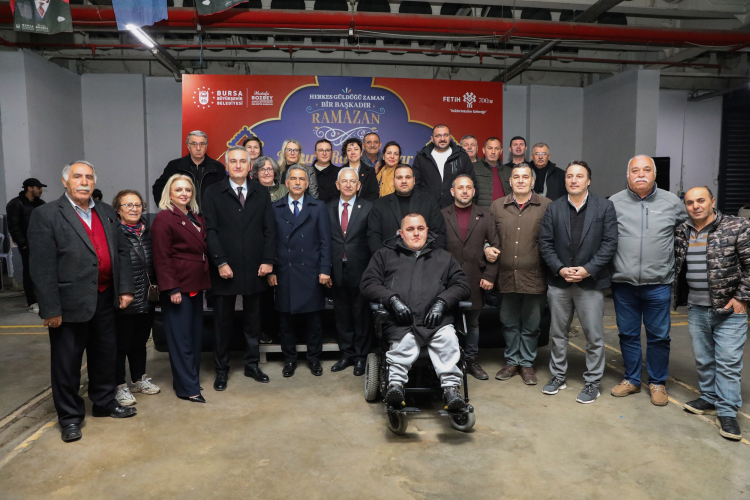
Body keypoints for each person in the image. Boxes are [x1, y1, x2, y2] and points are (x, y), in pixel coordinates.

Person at [28, 161, 137, 443]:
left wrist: (125, 289)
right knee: (67, 364)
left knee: (105, 355)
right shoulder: (46, 215)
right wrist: (50, 309)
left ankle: (104, 402)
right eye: (77, 176)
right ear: (65, 182)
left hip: (105, 297)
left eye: (89, 177)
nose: (84, 182)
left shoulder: (106, 212)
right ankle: (70, 417)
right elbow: (41, 267)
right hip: (68, 304)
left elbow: (121, 252)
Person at [361, 213, 471, 410]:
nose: (416, 233)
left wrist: (442, 302)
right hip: (402, 322)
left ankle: (451, 390)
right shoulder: (384, 255)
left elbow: (462, 285)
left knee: (448, 341)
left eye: (420, 228)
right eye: (410, 229)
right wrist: (392, 300)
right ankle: (395, 386)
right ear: (401, 233)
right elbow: (368, 284)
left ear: (427, 231)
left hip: (436, 321)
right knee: (404, 345)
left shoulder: (444, 257)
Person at [608, 155, 688, 406]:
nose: (640, 174)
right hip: (623, 284)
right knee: (628, 334)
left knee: (659, 337)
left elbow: (691, 230)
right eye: (635, 170)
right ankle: (631, 379)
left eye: (646, 170)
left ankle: (657, 382)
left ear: (654, 174)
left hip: (658, 284)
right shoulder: (614, 203)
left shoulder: (672, 202)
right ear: (628, 175)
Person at [538, 161, 618, 404]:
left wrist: (587, 270)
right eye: (570, 176)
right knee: (558, 333)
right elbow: (545, 243)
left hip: (590, 283)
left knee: (594, 336)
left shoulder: (604, 207)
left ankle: (593, 382)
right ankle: (557, 376)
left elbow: (609, 243)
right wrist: (560, 268)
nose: (574, 180)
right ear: (565, 180)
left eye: (579, 176)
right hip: (559, 282)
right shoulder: (554, 208)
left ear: (588, 181)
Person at [674, 187, 750, 441]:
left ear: (712, 201)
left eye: (700, 200)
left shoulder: (737, 226)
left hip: (729, 309)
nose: (695, 206)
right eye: (690, 202)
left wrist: (742, 297)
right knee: (704, 358)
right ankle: (709, 397)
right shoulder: (683, 230)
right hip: (696, 307)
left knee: (728, 362)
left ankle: (727, 412)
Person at [203, 146, 276, 391]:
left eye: (242, 161)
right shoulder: (213, 192)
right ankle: (221, 369)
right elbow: (210, 231)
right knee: (222, 323)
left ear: (249, 165)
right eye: (233, 161)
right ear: (227, 165)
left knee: (253, 322)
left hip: (256, 268)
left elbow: (269, 229)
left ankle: (252, 365)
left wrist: (268, 260)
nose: (237, 165)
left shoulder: (261, 192)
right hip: (225, 269)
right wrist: (220, 262)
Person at [485, 164, 551, 385]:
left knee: (532, 324)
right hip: (505, 276)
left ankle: (527, 364)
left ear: (532, 181)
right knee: (509, 322)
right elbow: (487, 236)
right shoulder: (497, 206)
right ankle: (512, 361)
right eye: (517, 177)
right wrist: (486, 247)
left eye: (525, 177)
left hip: (535, 277)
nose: (521, 180)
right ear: (510, 181)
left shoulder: (546, 205)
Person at [151, 174, 212, 404]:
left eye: (187, 189)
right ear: (169, 193)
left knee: (194, 338)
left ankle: (189, 380)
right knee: (181, 340)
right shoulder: (164, 218)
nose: (184, 193)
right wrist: (172, 288)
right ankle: (188, 388)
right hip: (178, 287)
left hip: (196, 284)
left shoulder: (195, 216)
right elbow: (162, 257)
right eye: (178, 190)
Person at [267, 166, 332, 377]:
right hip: (284, 271)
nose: (297, 182)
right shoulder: (275, 207)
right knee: (286, 321)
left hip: (311, 272)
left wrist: (325, 269)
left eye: (301, 179)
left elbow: (325, 241)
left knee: (314, 321)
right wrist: (271, 270)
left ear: (307, 183)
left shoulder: (318, 206)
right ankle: (289, 360)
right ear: (286, 183)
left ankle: (314, 359)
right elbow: (270, 242)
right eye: (293, 178)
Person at [441, 175, 499, 380]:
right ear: (452, 192)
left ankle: (471, 360)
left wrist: (490, 276)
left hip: (476, 278)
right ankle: (450, 361)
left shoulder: (485, 215)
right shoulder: (442, 215)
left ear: (474, 192)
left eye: (468, 188)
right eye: (460, 188)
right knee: (448, 322)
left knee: (473, 323)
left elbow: (496, 246)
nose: (464, 191)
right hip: (447, 281)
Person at [112, 190, 160, 407]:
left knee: (140, 342)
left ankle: (139, 379)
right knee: (121, 345)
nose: (134, 209)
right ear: (118, 209)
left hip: (147, 296)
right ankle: (119, 386)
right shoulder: (114, 233)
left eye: (137, 205)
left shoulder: (148, 231)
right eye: (128, 205)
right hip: (125, 298)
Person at [327, 168, 373, 376]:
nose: (348, 185)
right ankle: (347, 353)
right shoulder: (327, 208)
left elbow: (372, 240)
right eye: (344, 181)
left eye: (352, 181)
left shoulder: (369, 208)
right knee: (342, 314)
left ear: (358, 185)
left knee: (361, 315)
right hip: (336, 270)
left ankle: (361, 357)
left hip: (361, 270)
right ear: (337, 185)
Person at [368, 165, 446, 253]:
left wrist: (432, 258)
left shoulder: (429, 201)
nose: (404, 181)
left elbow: (439, 233)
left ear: (414, 180)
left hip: (425, 258)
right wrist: (383, 258)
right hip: (390, 258)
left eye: (408, 177)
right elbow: (373, 236)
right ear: (393, 181)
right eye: (399, 178)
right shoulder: (380, 204)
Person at [251, 155, 287, 344]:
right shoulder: (252, 191)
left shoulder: (285, 190)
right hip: (260, 249)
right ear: (256, 173)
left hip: (284, 248)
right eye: (262, 169)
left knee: (283, 292)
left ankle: (283, 332)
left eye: (269, 169)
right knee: (263, 295)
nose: (266, 172)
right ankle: (266, 331)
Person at [152, 130, 226, 208]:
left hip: (210, 214)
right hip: (183, 214)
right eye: (194, 144)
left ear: (206, 146)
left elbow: (225, 193)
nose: (198, 148)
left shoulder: (218, 168)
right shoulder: (175, 166)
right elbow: (159, 188)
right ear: (188, 146)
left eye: (202, 144)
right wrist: (168, 209)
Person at [5, 177, 46, 313]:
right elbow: (13, 227)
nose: (41, 190)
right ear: (30, 188)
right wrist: (23, 244)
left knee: (44, 272)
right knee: (30, 273)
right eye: (38, 188)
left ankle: (44, 300)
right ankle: (33, 302)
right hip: (27, 246)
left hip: (43, 244)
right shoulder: (15, 204)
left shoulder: (41, 204)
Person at [412, 124, 476, 208]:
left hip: (456, 209)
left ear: (450, 137)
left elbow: (472, 183)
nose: (442, 139)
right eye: (438, 136)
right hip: (428, 209)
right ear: (432, 139)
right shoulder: (422, 157)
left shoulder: (462, 156)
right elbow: (415, 184)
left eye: (445, 135)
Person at [473, 137, 512, 207]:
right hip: (481, 212)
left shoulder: (509, 171)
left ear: (501, 151)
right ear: (484, 150)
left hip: (504, 212)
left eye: (496, 148)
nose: (493, 152)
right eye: (490, 148)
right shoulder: (474, 169)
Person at [340, 137, 379, 202]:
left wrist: (361, 205)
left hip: (365, 206)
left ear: (361, 152)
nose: (353, 152)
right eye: (349, 150)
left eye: (356, 149)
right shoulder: (340, 171)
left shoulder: (370, 172)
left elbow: (374, 194)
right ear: (346, 153)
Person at [311, 139, 340, 203]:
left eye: (327, 150)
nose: (324, 153)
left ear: (331, 153)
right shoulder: (307, 172)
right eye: (321, 150)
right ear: (315, 153)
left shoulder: (339, 172)